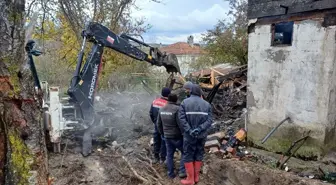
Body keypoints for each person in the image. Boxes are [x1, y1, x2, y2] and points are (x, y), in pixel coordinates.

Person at [178, 84, 213, 185]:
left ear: (191, 92)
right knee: (199, 153)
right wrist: (200, 129)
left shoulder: (185, 102)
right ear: (200, 93)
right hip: (202, 135)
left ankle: (190, 180)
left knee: (188, 154)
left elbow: (181, 119)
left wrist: (189, 130)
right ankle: (196, 177)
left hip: (189, 136)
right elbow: (210, 120)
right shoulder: (207, 105)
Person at [157, 93, 186, 179]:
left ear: (168, 99)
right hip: (177, 136)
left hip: (167, 136)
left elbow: (158, 124)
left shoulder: (161, 109)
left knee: (169, 155)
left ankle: (170, 174)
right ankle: (182, 171)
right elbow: (180, 123)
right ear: (176, 100)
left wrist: (162, 133)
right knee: (185, 152)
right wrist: (184, 134)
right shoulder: (177, 109)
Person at [149, 87, 171, 164]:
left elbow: (151, 113)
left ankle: (156, 157)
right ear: (169, 94)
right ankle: (162, 158)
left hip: (156, 125)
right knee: (164, 142)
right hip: (165, 126)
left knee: (156, 140)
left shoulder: (154, 102)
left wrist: (155, 122)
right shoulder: (168, 104)